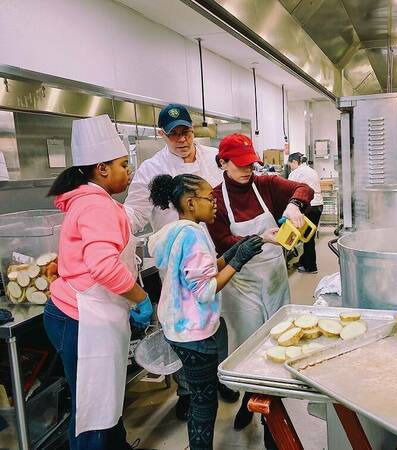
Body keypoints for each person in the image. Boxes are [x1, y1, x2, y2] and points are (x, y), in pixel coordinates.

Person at [44, 115, 154, 450]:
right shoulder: (95, 205)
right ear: (102, 168)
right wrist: (140, 298)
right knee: (93, 408)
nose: (128, 170)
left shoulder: (92, 201)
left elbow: (84, 254)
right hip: (82, 319)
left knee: (105, 400)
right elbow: (104, 267)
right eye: (123, 164)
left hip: (85, 313)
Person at [124, 104, 237, 420]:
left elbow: (233, 193)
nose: (181, 139)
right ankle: (187, 390)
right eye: (173, 134)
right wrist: (108, 221)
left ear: (193, 130)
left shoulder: (213, 159)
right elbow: (134, 213)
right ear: (162, 135)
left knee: (218, 320)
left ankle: (220, 377)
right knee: (183, 328)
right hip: (176, 265)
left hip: (215, 253)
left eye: (185, 131)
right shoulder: (151, 169)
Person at [147, 173, 263, 450]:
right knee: (203, 401)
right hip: (194, 332)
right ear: (190, 202)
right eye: (210, 199)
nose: (215, 205)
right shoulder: (194, 236)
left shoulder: (177, 231)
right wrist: (240, 262)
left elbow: (204, 269)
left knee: (201, 395)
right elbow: (206, 290)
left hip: (177, 327)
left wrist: (233, 252)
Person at [207, 133, 314, 432]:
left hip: (275, 277)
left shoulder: (265, 185)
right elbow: (222, 241)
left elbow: (305, 188)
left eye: (250, 163)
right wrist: (256, 239)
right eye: (239, 164)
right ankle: (250, 402)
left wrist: (294, 206)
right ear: (222, 162)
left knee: (280, 338)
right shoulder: (216, 199)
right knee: (250, 345)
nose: (247, 169)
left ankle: (272, 406)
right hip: (241, 284)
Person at [287, 152, 324, 273]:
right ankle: (304, 261)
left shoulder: (295, 173)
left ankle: (311, 267)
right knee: (308, 235)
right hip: (318, 205)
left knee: (307, 237)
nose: (290, 167)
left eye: (290, 164)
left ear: (294, 162)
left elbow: (288, 189)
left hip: (308, 206)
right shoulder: (311, 171)